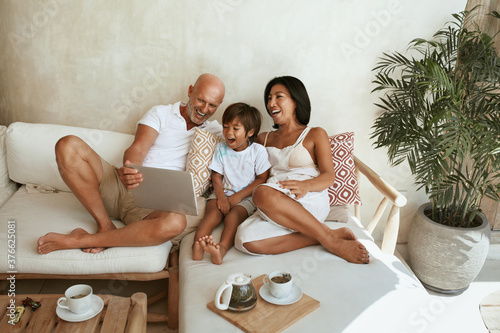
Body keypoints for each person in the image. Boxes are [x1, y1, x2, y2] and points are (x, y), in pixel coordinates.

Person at [37, 73, 225, 254]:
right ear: (190, 90)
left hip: (153, 207)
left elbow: (250, 146)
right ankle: (104, 224)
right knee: (68, 145)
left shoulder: (216, 132)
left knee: (176, 222)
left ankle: (81, 240)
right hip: (119, 186)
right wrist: (130, 168)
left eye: (212, 105)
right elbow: (138, 148)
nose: (204, 109)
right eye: (201, 100)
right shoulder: (161, 113)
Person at [234, 76, 370, 264]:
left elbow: (329, 176)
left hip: (308, 199)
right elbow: (238, 155)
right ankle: (323, 235)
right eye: (269, 98)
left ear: (296, 101)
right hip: (276, 205)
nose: (271, 103)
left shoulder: (315, 134)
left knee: (262, 193)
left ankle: (330, 241)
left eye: (278, 96)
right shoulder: (263, 139)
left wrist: (307, 186)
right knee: (244, 240)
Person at [192, 102, 271, 264]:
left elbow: (262, 178)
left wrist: (237, 198)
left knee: (233, 218)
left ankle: (221, 249)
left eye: (236, 128)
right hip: (222, 193)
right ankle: (197, 245)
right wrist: (220, 197)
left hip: (245, 198)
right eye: (226, 126)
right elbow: (216, 176)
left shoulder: (258, 151)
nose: (228, 132)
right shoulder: (221, 148)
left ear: (250, 132)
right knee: (211, 216)